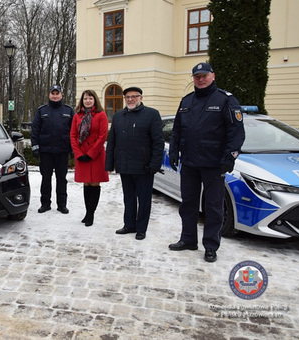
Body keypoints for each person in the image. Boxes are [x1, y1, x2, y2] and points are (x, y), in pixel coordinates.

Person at [168, 62, 245, 262]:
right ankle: (188, 239)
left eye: (204, 76)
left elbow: (236, 133)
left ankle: (211, 245)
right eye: (197, 76)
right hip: (190, 163)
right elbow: (177, 130)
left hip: (214, 164)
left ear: (213, 75)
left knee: (213, 207)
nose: (200, 80)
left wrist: (229, 158)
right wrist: (174, 152)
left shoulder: (225, 100)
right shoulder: (186, 101)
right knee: (188, 204)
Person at [105, 87, 164, 240]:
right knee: (128, 198)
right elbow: (112, 142)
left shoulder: (151, 114)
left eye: (134, 97)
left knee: (144, 200)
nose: (130, 99)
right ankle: (129, 224)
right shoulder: (118, 116)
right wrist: (109, 163)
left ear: (141, 98)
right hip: (124, 165)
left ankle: (141, 228)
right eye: (127, 97)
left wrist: (155, 164)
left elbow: (158, 143)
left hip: (144, 167)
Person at [31, 85, 74, 214]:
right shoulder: (41, 111)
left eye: (57, 93)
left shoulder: (68, 111)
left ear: (61, 95)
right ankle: (45, 204)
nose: (55, 96)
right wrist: (35, 147)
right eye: (53, 93)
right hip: (46, 152)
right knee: (46, 179)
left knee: (62, 179)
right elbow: (35, 130)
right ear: (49, 95)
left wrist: (72, 150)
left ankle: (62, 205)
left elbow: (73, 132)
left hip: (62, 151)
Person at [70, 90, 109, 227]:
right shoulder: (77, 116)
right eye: (85, 98)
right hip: (82, 155)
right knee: (86, 183)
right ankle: (87, 212)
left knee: (94, 184)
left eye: (90, 98)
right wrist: (79, 153)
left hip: (96, 155)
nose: (87, 101)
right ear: (82, 100)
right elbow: (73, 136)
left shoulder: (101, 115)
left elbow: (102, 136)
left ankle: (91, 214)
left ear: (95, 100)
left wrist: (91, 153)